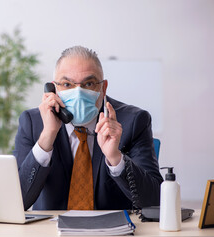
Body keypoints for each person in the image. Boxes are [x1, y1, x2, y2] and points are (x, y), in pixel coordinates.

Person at [13, 46, 163, 210]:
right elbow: (17, 202)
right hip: (51, 233)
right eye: (67, 84)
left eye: (89, 83)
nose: (78, 93)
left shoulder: (133, 121)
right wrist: (47, 137)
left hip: (111, 232)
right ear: (53, 89)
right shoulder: (32, 122)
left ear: (103, 88)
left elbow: (155, 201)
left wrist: (115, 158)